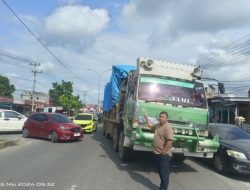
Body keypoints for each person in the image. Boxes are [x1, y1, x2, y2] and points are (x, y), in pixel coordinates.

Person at [144, 111, 173, 190]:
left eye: (163, 117)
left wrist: (164, 151)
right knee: (160, 171)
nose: (161, 118)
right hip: (157, 152)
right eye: (160, 117)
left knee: (164, 173)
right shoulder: (158, 125)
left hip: (163, 154)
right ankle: (162, 186)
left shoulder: (167, 127)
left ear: (167, 118)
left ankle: (163, 188)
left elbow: (170, 141)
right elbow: (150, 126)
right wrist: (146, 119)